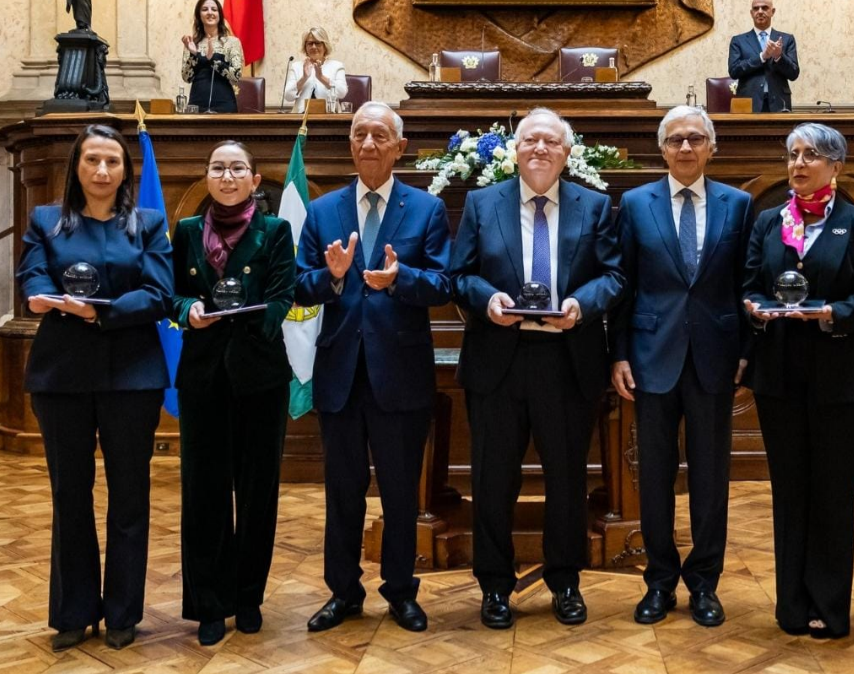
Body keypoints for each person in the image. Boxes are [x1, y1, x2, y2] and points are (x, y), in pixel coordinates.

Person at [451, 107, 625, 629]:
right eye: (530, 140)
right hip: (497, 362)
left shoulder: (595, 206)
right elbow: (459, 276)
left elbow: (615, 276)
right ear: (515, 149)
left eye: (551, 141)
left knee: (567, 480)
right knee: (492, 480)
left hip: (566, 361)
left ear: (567, 153)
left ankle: (565, 581)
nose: (540, 149)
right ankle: (494, 586)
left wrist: (581, 305)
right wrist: (488, 300)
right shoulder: (482, 203)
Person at [16, 124, 173, 652]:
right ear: (76, 167)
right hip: (62, 375)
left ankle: (123, 612)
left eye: (112, 161)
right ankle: (73, 611)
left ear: (126, 170)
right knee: (70, 494)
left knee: (129, 496)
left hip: (132, 375)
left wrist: (97, 313)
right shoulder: (46, 220)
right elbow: (33, 275)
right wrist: (43, 296)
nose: (102, 170)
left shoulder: (148, 223)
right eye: (92, 160)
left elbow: (158, 293)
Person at [296, 102, 451, 634]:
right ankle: (343, 592)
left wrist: (401, 278)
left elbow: (443, 284)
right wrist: (334, 278)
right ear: (349, 144)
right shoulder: (323, 211)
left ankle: (400, 591)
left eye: (380, 135)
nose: (368, 143)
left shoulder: (427, 209)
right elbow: (299, 285)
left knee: (401, 492)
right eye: (359, 134)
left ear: (399, 148)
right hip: (340, 375)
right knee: (342, 492)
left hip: (400, 375)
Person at [742, 123, 854, 639]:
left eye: (811, 155)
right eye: (792, 154)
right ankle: (791, 606)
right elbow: (750, 284)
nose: (798, 164)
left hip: (840, 375)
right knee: (789, 490)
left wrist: (832, 313)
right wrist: (754, 308)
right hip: (779, 373)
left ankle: (829, 605)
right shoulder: (768, 222)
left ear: (836, 166)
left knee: (832, 491)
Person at [608, 106, 753, 627]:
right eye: (675, 140)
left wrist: (746, 351)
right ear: (662, 149)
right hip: (651, 357)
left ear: (712, 147)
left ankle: (704, 583)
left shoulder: (738, 204)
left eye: (695, 138)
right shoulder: (635, 203)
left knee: (711, 477)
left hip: (716, 357)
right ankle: (660, 581)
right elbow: (622, 285)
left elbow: (746, 283)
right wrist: (619, 353)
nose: (685, 148)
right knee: (654, 476)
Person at [170, 141, 296, 646]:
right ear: (206, 177)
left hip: (260, 375)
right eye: (218, 168)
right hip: (202, 376)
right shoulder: (185, 231)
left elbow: (283, 295)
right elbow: (172, 293)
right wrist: (188, 311)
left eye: (237, 168)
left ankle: (247, 598)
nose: (227, 176)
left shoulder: (275, 231)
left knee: (257, 490)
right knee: (204, 491)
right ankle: (209, 604)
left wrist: (247, 319)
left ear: (254, 179)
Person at [728, 0, 800, 113]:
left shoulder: (787, 39)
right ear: (751, 13)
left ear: (773, 11)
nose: (760, 11)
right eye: (756, 8)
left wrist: (779, 56)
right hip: (748, 103)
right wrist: (762, 57)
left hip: (779, 103)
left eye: (765, 8)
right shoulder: (738, 41)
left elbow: (794, 74)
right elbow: (734, 71)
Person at [181, 0, 244, 114]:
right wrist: (194, 55)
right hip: (196, 106)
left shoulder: (232, 42)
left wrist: (212, 59)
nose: (210, 12)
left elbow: (236, 76)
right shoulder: (192, 43)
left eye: (214, 9)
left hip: (225, 106)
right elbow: (186, 77)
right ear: (199, 15)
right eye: (205, 9)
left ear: (220, 15)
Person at [284, 27, 348, 113]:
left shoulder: (337, 66)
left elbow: (342, 93)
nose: (314, 47)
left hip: (329, 117)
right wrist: (304, 78)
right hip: (300, 117)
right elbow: (288, 96)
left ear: (325, 46)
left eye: (318, 43)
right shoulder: (296, 66)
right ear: (305, 47)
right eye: (310, 43)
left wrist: (321, 77)